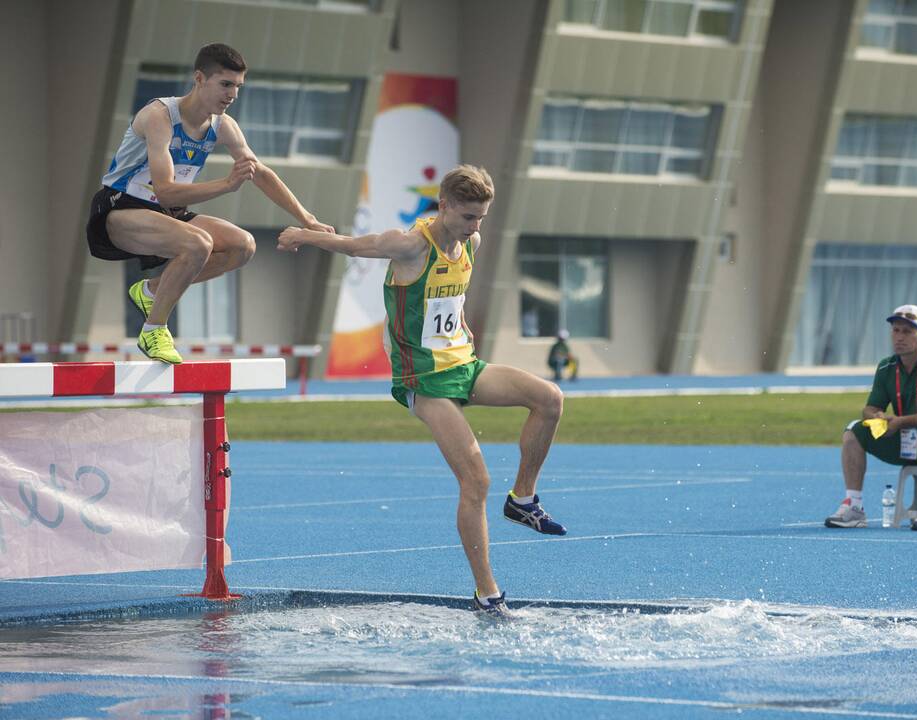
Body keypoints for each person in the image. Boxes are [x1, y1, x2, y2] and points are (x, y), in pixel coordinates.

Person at [277, 165, 566, 617]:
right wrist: (304, 235)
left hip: (464, 366)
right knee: (475, 480)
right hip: (424, 381)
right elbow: (356, 245)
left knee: (549, 398)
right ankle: (487, 593)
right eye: (468, 216)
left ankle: (523, 499)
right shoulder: (410, 245)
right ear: (444, 204)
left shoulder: (471, 242)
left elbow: (450, 305)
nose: (475, 227)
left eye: (482, 218)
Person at [86, 42, 333, 364]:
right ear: (200, 78)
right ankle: (153, 330)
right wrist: (227, 184)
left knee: (242, 246)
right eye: (225, 84)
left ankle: (150, 292)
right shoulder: (159, 116)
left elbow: (260, 174)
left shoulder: (224, 126)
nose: (232, 95)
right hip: (120, 210)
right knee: (198, 243)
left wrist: (307, 218)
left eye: (238, 87)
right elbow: (166, 191)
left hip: (167, 215)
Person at [825, 304, 917, 531]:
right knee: (854, 429)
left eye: (907, 331)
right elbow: (869, 408)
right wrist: (879, 417)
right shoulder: (886, 366)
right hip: (909, 440)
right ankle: (854, 507)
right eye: (896, 330)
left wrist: (902, 421)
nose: (899, 337)